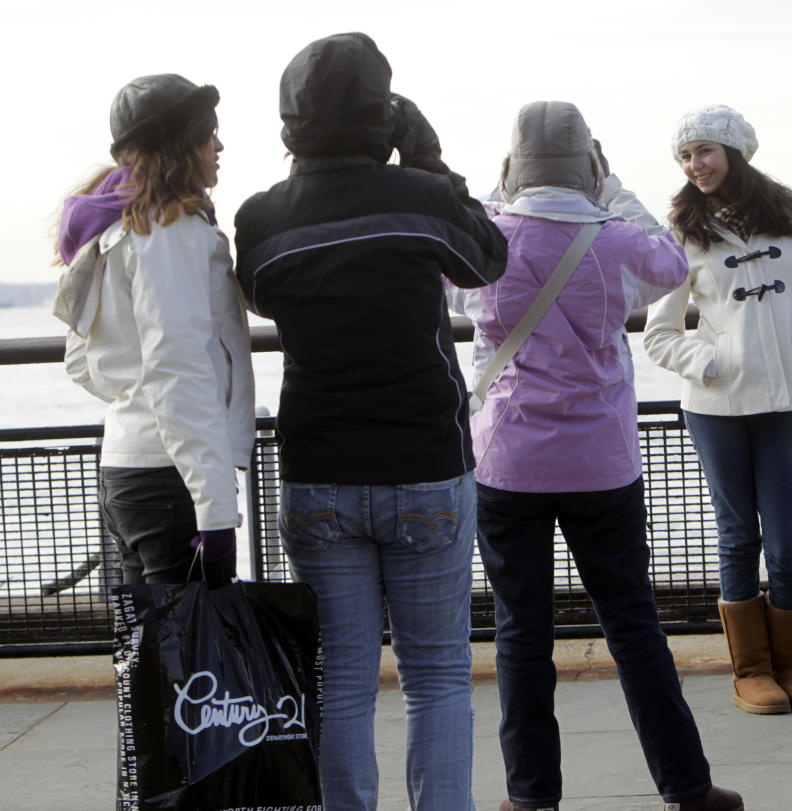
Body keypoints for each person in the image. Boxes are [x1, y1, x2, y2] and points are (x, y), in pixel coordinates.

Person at [233, 32, 508, 811]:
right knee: (436, 677)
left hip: (318, 468)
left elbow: (262, 295)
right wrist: (427, 162)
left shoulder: (260, 220)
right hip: (424, 461)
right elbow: (489, 259)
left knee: (342, 680)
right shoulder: (418, 201)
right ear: (383, 115)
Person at [465, 100, 743, 811]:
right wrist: (612, 186)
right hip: (601, 462)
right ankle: (687, 786)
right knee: (632, 623)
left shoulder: (487, 236)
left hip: (507, 462)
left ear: (512, 164)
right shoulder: (616, 238)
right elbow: (670, 257)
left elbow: (455, 283)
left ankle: (530, 797)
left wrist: (502, 194)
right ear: (588, 165)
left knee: (521, 629)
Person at [644, 104, 792, 715]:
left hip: (786, 398)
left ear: (735, 151)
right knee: (739, 538)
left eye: (704, 151)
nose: (695, 165)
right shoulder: (681, 230)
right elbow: (657, 334)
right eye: (685, 156)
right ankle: (752, 672)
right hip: (714, 406)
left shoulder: (787, 216)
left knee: (789, 542)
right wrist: (711, 361)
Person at [54, 74, 254, 587]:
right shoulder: (173, 233)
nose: (219, 146)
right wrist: (215, 514)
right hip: (172, 482)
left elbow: (80, 359)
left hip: (125, 469)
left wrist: (131, 397)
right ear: (182, 145)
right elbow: (178, 370)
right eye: (210, 134)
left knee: (148, 653)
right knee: (189, 660)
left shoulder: (116, 228)